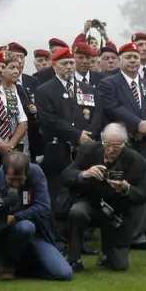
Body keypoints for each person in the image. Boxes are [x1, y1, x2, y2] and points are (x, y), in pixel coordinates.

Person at [98, 42, 146, 250]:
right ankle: (120, 234)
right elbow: (112, 108)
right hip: (124, 146)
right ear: (119, 60)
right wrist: (138, 124)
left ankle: (139, 236)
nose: (133, 61)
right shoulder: (109, 83)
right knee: (119, 191)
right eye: (128, 57)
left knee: (144, 192)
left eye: (135, 57)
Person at [0, 151, 73, 281]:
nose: (16, 184)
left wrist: (14, 218)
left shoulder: (36, 173)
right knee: (25, 227)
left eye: (20, 180)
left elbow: (44, 208)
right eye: (11, 180)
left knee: (64, 274)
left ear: (27, 173)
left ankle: (24, 267)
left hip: (33, 235)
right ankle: (7, 264)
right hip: (0, 235)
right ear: (3, 172)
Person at [61, 123, 146, 271]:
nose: (110, 150)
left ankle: (107, 256)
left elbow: (142, 196)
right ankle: (74, 258)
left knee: (120, 265)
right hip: (90, 203)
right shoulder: (88, 150)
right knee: (77, 211)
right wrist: (84, 174)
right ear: (102, 141)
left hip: (117, 213)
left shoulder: (137, 161)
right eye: (107, 145)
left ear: (124, 144)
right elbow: (65, 176)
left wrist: (126, 188)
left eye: (116, 146)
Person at [35, 47, 103, 204]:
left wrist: (88, 136)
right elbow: (49, 119)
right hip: (59, 149)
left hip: (86, 148)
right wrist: (77, 136)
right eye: (64, 63)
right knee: (59, 194)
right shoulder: (44, 90)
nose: (69, 66)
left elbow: (97, 115)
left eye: (71, 62)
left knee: (84, 191)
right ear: (54, 65)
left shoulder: (88, 89)